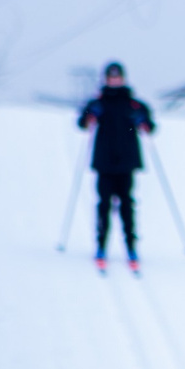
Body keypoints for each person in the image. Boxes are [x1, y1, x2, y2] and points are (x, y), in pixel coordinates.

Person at [76, 62, 155, 271]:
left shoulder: (134, 104)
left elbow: (150, 127)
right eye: (111, 78)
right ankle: (101, 246)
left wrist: (143, 121)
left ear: (123, 79)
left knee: (127, 205)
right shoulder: (98, 103)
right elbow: (82, 124)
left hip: (127, 163)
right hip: (104, 162)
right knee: (103, 205)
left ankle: (131, 247)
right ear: (106, 79)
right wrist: (90, 115)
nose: (114, 81)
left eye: (117, 78)